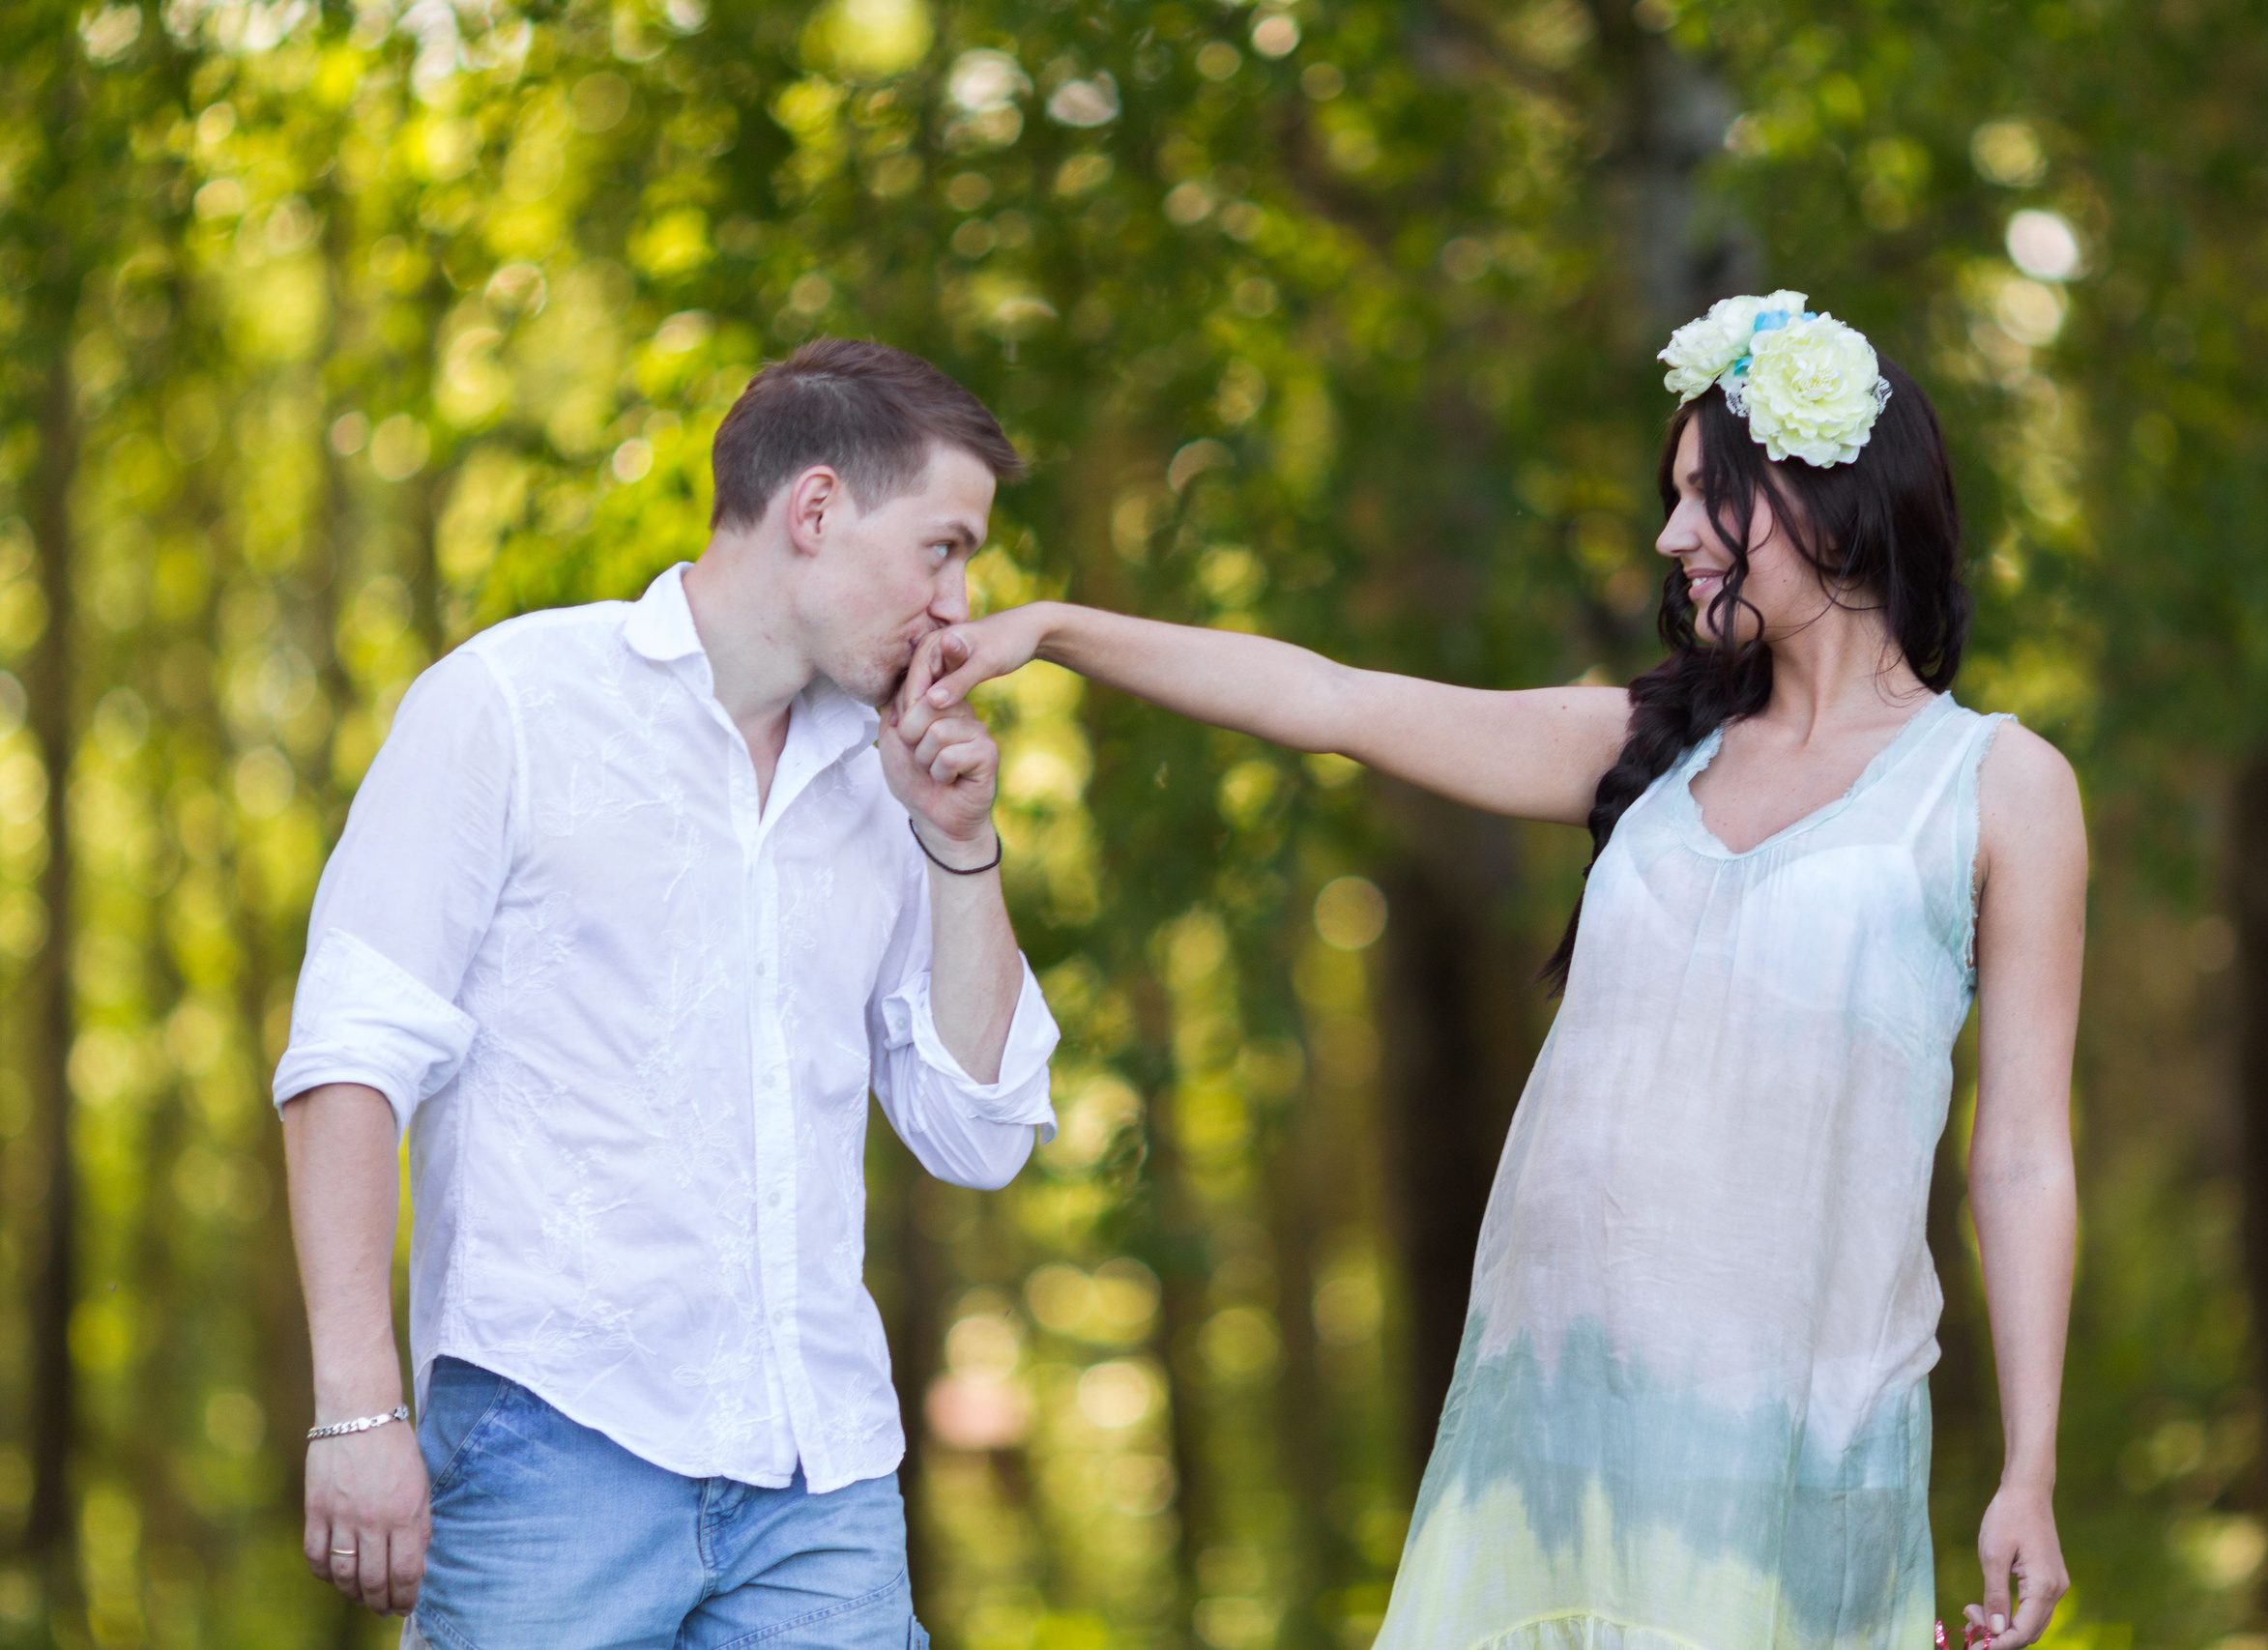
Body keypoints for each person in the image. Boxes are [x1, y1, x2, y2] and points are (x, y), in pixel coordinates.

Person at [899, 296, 2082, 1649]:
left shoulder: (1998, 789)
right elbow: (1332, 702)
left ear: (1831, 501)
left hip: (1798, 1446)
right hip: (1554, 1426)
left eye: (1710, 496)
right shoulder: (1647, 747)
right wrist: (1052, 629)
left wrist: (2029, 1472)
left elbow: (2026, 1157)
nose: (1671, 535)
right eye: (1673, 497)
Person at [275, 338, 1060, 1648]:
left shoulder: (890, 781)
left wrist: (962, 846)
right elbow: (350, 1061)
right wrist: (359, 1411)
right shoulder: (509, 709)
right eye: (944, 547)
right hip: (552, 1453)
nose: (958, 606)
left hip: (825, 1486)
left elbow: (975, 1133)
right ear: (815, 510)